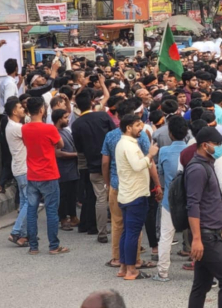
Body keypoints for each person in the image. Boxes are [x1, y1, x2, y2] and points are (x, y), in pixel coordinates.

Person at [186, 126, 222, 308]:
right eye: (217, 144)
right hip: (207, 236)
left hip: (211, 233)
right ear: (204, 145)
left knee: (201, 285)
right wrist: (197, 239)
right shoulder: (197, 169)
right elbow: (193, 205)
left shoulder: (207, 165)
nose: (220, 147)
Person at [115, 114, 159, 280]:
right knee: (132, 233)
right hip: (135, 195)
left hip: (128, 194)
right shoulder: (129, 145)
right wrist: (150, 155)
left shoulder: (124, 143)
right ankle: (131, 270)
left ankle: (123, 267)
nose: (141, 128)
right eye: (138, 125)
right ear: (128, 128)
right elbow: (137, 165)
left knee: (127, 232)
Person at [22, 96, 68, 255]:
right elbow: (61, 144)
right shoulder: (49, 129)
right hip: (49, 173)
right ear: (42, 110)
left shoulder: (24, 128)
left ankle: (33, 246)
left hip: (32, 174)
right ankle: (54, 245)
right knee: (51, 211)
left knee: (31, 210)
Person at [72, 90, 115, 244]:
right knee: (116, 196)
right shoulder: (103, 116)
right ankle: (119, 228)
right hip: (112, 163)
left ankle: (100, 230)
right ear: (91, 102)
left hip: (93, 165)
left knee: (100, 199)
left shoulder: (76, 124)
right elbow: (115, 134)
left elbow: (79, 148)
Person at [154, 116, 188, 282]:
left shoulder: (164, 151)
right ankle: (205, 273)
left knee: (166, 236)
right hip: (191, 199)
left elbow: (160, 173)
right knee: (199, 235)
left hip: (170, 199)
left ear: (170, 133)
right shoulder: (192, 151)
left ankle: (163, 272)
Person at [6, 98, 29, 246]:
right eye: (20, 107)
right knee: (29, 201)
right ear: (14, 111)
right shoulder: (17, 128)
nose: (23, 109)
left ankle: (23, 234)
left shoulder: (12, 125)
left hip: (19, 167)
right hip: (23, 168)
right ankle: (16, 231)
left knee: (24, 201)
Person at [54, 108, 79, 230]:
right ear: (59, 119)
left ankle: (73, 216)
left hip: (72, 169)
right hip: (62, 169)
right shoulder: (54, 132)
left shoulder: (66, 131)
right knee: (63, 195)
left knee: (72, 194)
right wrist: (75, 155)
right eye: (65, 117)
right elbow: (57, 153)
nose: (67, 120)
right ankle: (63, 219)